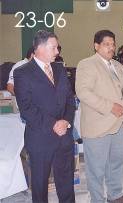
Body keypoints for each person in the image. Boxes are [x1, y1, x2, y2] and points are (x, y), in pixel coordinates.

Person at [14, 30, 76, 203]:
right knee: (40, 187)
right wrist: (54, 124)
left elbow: (70, 100)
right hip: (40, 138)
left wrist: (66, 121)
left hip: (64, 136)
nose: (57, 51)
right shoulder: (23, 72)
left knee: (66, 184)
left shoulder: (59, 69)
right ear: (39, 48)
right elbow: (26, 108)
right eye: (54, 47)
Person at [75, 29, 123, 203]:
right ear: (96, 46)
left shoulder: (118, 66)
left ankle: (115, 195)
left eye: (113, 44)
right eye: (106, 44)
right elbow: (83, 92)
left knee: (116, 163)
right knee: (96, 169)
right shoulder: (86, 64)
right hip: (97, 126)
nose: (111, 47)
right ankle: (97, 199)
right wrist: (110, 107)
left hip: (118, 125)